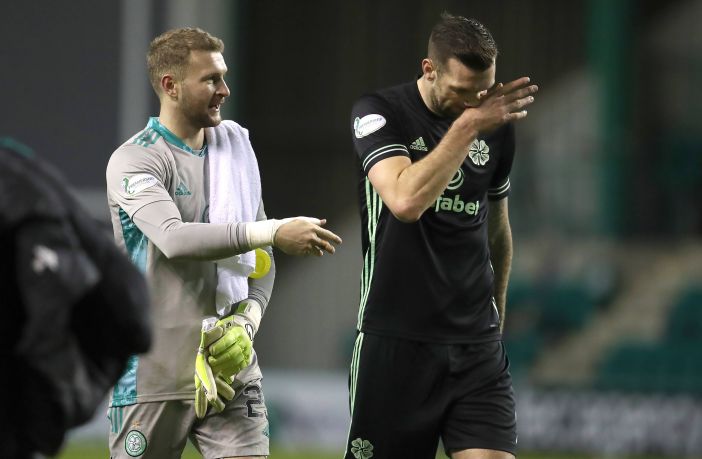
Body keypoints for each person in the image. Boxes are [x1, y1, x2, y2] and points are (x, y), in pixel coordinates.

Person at [105, 28, 342, 459]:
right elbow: (174, 238)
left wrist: (247, 320)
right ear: (170, 85)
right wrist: (272, 230)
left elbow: (259, 259)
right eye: (211, 79)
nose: (224, 90)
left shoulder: (234, 151)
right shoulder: (136, 159)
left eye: (224, 77)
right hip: (154, 375)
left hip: (230, 368)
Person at [346, 13, 538, 459]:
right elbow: (405, 201)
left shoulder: (495, 126)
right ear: (429, 70)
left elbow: (497, 230)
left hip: (476, 346)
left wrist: (495, 322)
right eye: (462, 92)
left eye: (483, 92)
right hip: (396, 341)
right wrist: (469, 128)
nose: (474, 104)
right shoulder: (378, 112)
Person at [0, 138, 152, 459]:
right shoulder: (21, 172)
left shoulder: (18, 188)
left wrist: (42, 409)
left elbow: (128, 313)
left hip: (45, 374)